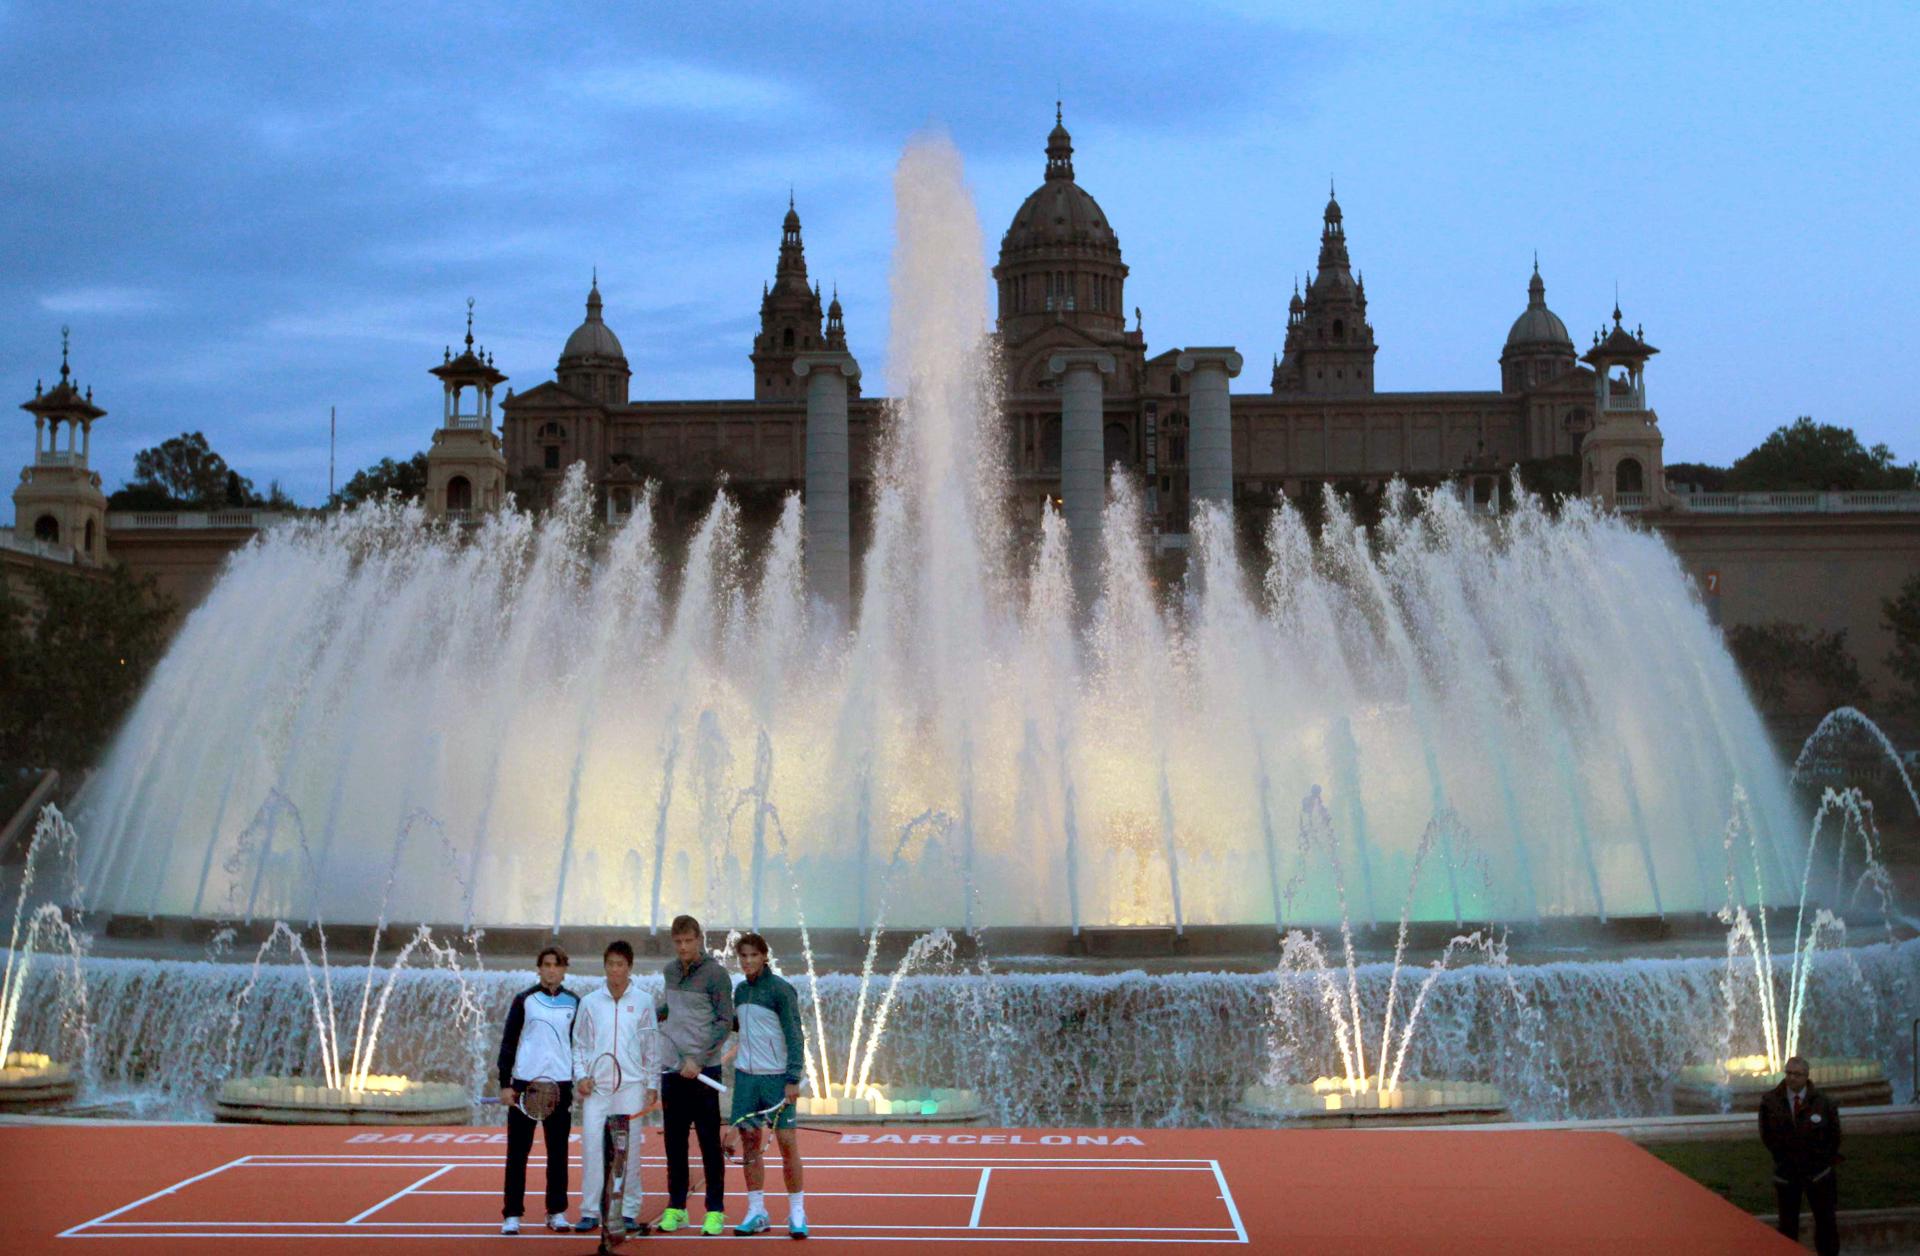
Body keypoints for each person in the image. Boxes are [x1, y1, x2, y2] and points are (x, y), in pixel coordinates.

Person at [721, 932, 809, 1239]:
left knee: (787, 1144)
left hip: (776, 1080)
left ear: (764, 957)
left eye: (753, 956)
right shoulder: (741, 991)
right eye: (742, 956)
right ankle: (757, 1211)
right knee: (749, 1146)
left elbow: (795, 1036)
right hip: (746, 1080)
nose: (747, 961)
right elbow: (742, 1028)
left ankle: (797, 1213)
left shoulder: (781, 991)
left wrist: (793, 1078)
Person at [571, 939, 660, 1234]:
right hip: (597, 1089)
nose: (615, 970)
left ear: (630, 967)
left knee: (629, 1153)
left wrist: (652, 1083)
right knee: (593, 1148)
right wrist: (581, 1076)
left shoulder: (644, 1001)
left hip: (632, 1089)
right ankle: (590, 1211)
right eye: (610, 964)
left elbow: (651, 1046)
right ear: (605, 966)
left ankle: (629, 1210)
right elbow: (580, 1044)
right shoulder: (590, 1002)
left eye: (620, 964)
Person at [655, 914, 735, 1236]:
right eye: (678, 942)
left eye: (689, 941)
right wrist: (650, 1012)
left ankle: (715, 1210)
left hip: (703, 1071)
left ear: (699, 939)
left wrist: (698, 1060)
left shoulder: (716, 975)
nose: (683, 947)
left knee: (708, 1144)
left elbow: (724, 1021)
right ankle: (677, 1207)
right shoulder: (670, 971)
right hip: (672, 1070)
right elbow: (671, 1009)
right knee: (674, 1144)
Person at [496, 944, 580, 1235]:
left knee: (558, 1153)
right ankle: (512, 1215)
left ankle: (556, 1212)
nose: (551, 969)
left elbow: (579, 1046)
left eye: (557, 964)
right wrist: (505, 1084)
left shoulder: (574, 1003)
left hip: (560, 1086)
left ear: (564, 969)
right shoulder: (524, 1000)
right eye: (546, 964)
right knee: (517, 1154)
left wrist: (580, 1078)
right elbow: (509, 1042)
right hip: (525, 1087)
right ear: (539, 968)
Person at [1759, 1055, 1842, 1256]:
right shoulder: (1770, 1101)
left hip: (1818, 1173)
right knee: (1787, 1225)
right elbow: (1766, 1135)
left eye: (1797, 1074)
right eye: (1788, 1073)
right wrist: (1782, 1157)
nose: (1792, 1078)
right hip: (1787, 1173)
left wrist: (1822, 1160)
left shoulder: (1824, 1102)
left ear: (1806, 1076)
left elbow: (1834, 1135)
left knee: (1825, 1222)